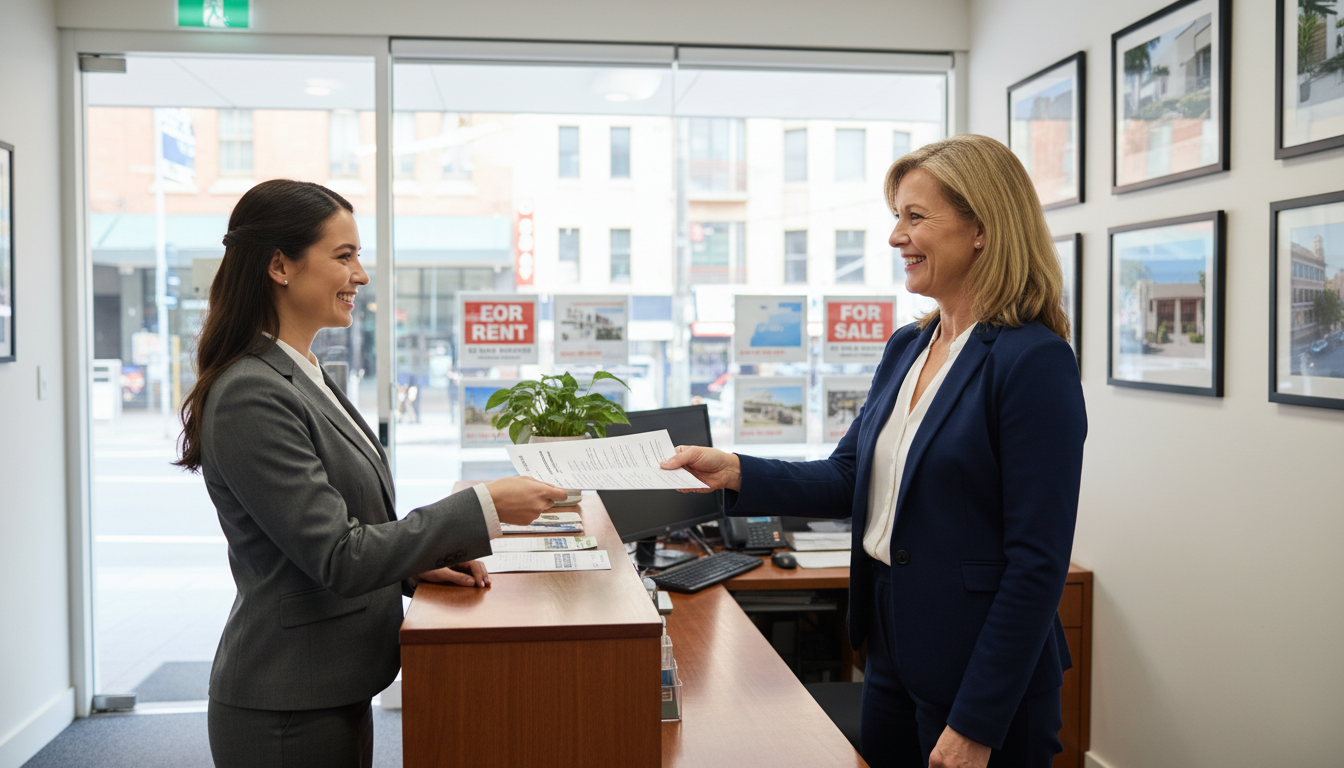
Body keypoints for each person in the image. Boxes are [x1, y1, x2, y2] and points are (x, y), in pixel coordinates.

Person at [662, 134, 1086, 768]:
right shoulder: (908, 347)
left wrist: (976, 722)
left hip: (979, 668)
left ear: (982, 230)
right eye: (897, 217)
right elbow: (850, 475)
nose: (895, 237)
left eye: (915, 217)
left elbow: (1037, 564)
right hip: (890, 649)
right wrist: (735, 470)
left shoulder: (1032, 361)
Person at [174, 179, 567, 768]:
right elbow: (338, 554)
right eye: (344, 256)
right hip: (286, 704)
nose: (360, 275)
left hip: (331, 687)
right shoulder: (251, 392)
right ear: (280, 265)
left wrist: (416, 562)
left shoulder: (302, 370)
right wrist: (484, 507)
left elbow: (350, 527)